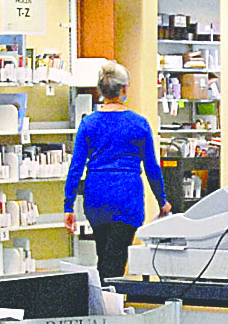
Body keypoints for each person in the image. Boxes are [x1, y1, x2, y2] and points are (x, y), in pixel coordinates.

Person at [62, 64, 169, 279]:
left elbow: (76, 168)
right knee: (116, 259)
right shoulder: (139, 124)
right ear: (125, 89)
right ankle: (109, 302)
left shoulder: (88, 123)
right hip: (126, 195)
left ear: (100, 91)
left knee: (104, 253)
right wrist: (162, 201)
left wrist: (68, 205)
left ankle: (104, 298)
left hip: (96, 197)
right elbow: (151, 168)